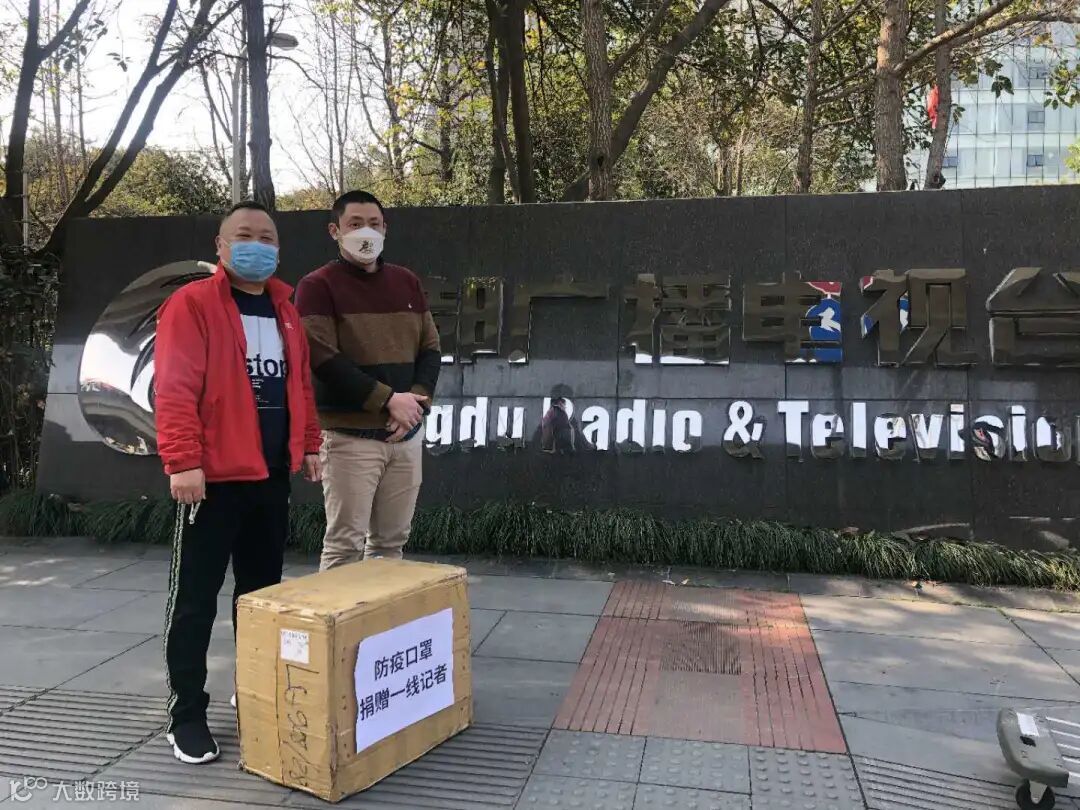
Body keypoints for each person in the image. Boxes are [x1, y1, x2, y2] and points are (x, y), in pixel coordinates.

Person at [154, 201, 322, 764]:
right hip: (211, 481)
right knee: (194, 602)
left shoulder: (285, 309)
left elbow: (300, 386)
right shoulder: (193, 303)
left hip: (270, 477)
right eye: (245, 235)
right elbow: (175, 386)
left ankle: (252, 692)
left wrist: (310, 445)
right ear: (220, 246)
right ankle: (186, 714)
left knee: (260, 599)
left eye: (267, 237)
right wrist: (183, 461)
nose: (258, 245)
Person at [295, 190, 440, 570]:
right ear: (335, 231)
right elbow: (322, 358)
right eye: (355, 224)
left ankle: (380, 613)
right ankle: (337, 613)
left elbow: (430, 348)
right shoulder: (317, 286)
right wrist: (389, 400)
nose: (366, 232)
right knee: (344, 546)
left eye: (374, 224)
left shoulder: (406, 282)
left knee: (391, 545)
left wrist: (415, 403)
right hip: (350, 439)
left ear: (385, 229)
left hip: (405, 436)